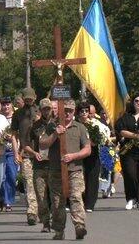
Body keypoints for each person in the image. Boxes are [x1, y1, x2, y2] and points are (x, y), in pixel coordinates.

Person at [39, 99, 90, 240]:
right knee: (57, 202)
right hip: (56, 170)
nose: (67, 113)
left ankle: (79, 226)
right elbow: (42, 144)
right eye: (65, 110)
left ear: (74, 112)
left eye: (70, 111)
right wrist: (55, 134)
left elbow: (87, 149)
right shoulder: (52, 126)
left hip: (75, 170)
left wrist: (74, 156)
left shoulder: (79, 127)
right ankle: (59, 230)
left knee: (76, 197)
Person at [11, 87, 40, 225]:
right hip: (26, 153)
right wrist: (16, 153)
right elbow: (14, 135)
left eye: (31, 98)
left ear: (35, 97)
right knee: (29, 182)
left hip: (42, 153)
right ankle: (32, 212)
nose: (29, 101)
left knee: (41, 184)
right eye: (26, 98)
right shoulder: (18, 114)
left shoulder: (41, 111)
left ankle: (43, 211)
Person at [27, 98, 53, 232]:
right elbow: (26, 144)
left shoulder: (57, 124)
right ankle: (46, 223)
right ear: (40, 110)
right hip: (39, 165)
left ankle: (56, 221)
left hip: (54, 165)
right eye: (44, 109)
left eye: (48, 108)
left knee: (55, 197)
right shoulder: (35, 126)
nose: (47, 111)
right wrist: (33, 153)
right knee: (41, 197)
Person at [78, 103, 102, 211]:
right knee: (79, 178)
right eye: (82, 111)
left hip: (92, 154)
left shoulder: (94, 124)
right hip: (78, 154)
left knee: (92, 178)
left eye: (86, 111)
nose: (84, 113)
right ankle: (78, 201)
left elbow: (98, 139)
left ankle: (90, 203)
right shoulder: (75, 124)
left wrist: (93, 141)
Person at [0, 96, 19, 212]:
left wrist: (13, 137)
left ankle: (8, 202)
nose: (6, 106)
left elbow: (21, 132)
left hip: (12, 151)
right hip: (0, 150)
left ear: (11, 105)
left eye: (8, 104)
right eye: (4, 104)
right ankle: (0, 198)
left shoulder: (16, 117)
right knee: (1, 177)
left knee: (11, 176)